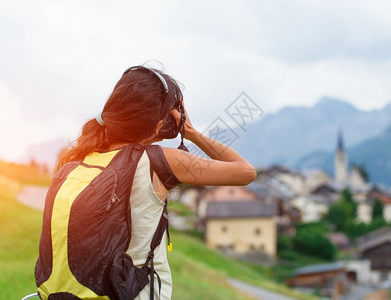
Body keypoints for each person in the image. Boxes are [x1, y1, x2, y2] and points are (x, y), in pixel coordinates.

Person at [52, 65, 256, 299]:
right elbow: (246, 171)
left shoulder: (79, 159)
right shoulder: (157, 160)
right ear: (158, 122)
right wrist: (191, 133)